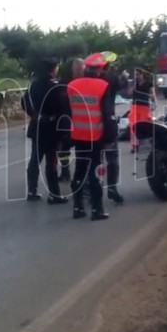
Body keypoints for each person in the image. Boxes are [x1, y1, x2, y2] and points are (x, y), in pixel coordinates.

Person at [67, 52, 114, 221]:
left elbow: (67, 112)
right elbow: (108, 115)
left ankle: (78, 207)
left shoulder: (72, 85)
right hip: (96, 136)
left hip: (78, 136)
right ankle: (97, 209)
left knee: (79, 171)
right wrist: (110, 138)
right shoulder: (103, 86)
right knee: (95, 172)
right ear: (100, 69)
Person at [21, 57, 69, 204]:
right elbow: (61, 108)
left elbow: (24, 102)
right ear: (53, 68)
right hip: (51, 128)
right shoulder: (55, 87)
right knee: (51, 162)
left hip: (36, 126)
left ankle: (32, 190)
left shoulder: (33, 85)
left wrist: (34, 116)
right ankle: (54, 194)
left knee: (35, 160)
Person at [97, 51, 130, 205]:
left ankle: (93, 189)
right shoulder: (111, 77)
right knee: (112, 158)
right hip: (108, 123)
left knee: (94, 159)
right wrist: (123, 75)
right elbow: (123, 86)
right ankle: (112, 188)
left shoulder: (89, 78)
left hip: (92, 125)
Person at [58, 58, 85, 183]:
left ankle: (81, 174)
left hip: (83, 122)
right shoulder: (64, 83)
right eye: (77, 68)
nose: (79, 70)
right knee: (64, 148)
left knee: (82, 150)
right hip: (66, 120)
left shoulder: (87, 82)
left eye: (81, 68)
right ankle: (65, 171)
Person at [129, 70, 156, 153]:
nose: (136, 77)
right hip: (135, 106)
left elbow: (153, 95)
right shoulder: (135, 84)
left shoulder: (148, 83)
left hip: (144, 106)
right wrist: (134, 85)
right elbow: (129, 93)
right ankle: (135, 145)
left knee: (145, 125)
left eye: (138, 75)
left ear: (142, 75)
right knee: (133, 125)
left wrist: (153, 103)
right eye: (135, 75)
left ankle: (151, 142)